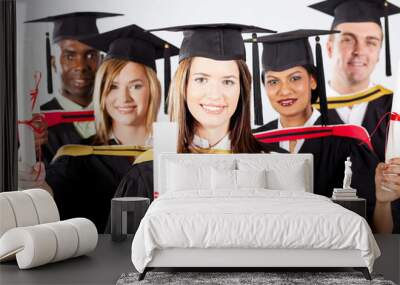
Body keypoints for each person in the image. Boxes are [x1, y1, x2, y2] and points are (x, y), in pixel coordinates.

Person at [18, 25, 178, 232]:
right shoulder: (78, 157)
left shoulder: (177, 153)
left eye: (136, 85)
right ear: (102, 92)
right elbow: (48, 194)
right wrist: (32, 181)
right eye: (113, 86)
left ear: (153, 89)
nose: (124, 98)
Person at [251, 29, 380, 223]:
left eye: (295, 78)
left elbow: (369, 218)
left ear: (313, 80)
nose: (284, 90)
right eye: (273, 81)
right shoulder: (253, 142)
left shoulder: (347, 141)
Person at [150, 23, 278, 153]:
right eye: (201, 80)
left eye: (228, 81)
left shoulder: (274, 163)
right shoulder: (151, 166)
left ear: (242, 89)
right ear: (183, 85)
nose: (215, 95)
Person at [309, 0, 400, 163]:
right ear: (330, 48)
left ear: (379, 53)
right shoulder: (304, 110)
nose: (359, 51)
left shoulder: (394, 107)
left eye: (371, 42)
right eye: (348, 40)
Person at [26, 12, 122, 164]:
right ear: (53, 63)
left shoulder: (120, 115)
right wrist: (25, 153)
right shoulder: (36, 124)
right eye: (70, 57)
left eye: (90, 55)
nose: (81, 66)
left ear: (102, 60)